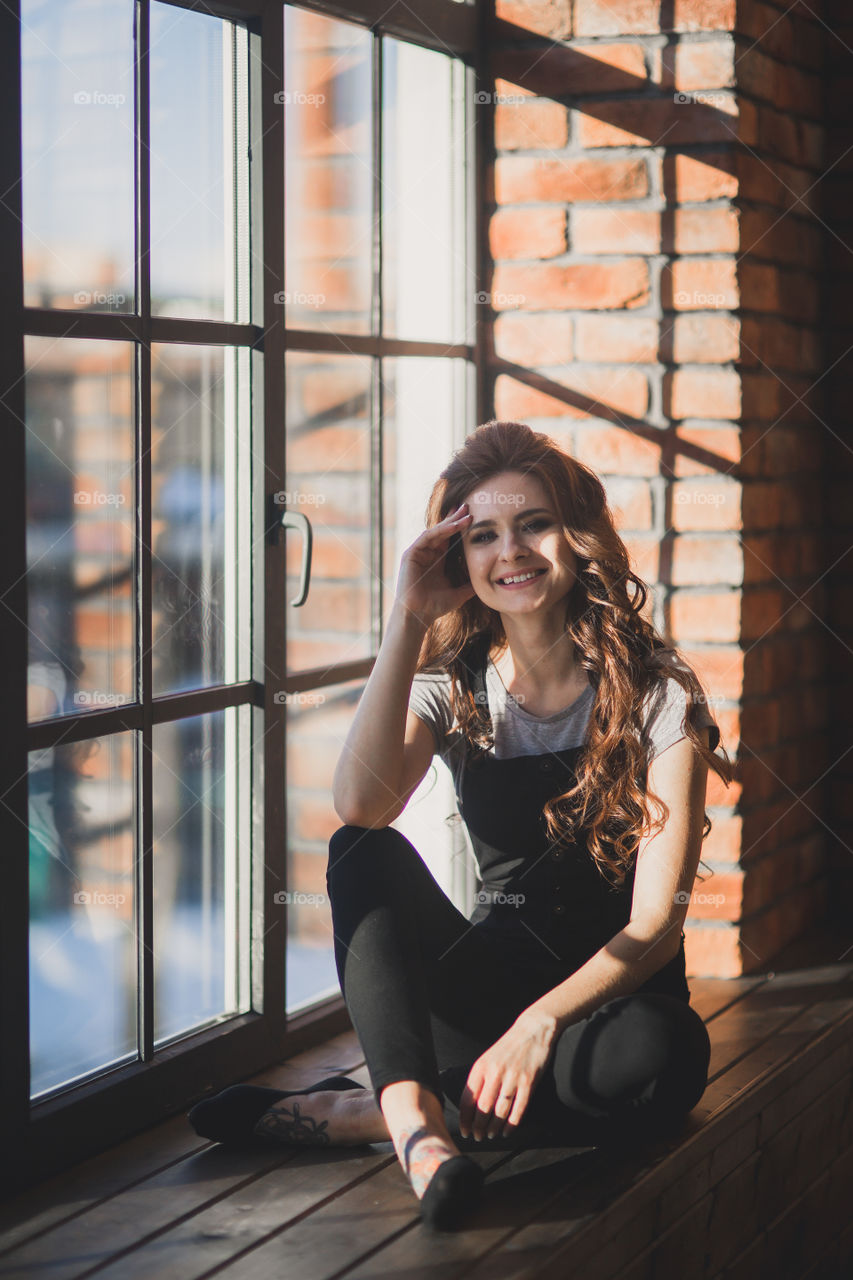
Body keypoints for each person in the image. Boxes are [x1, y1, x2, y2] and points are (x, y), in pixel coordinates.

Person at [188, 420, 733, 1231]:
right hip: (480, 996)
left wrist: (540, 1024)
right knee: (358, 854)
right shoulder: (455, 687)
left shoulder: (658, 693)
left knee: (665, 1056)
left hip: (607, 1011)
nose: (509, 552)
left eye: (534, 524)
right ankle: (418, 1127)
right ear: (458, 557)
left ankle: (368, 1115)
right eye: (482, 535)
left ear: (578, 538)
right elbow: (360, 806)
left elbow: (655, 925)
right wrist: (406, 622)